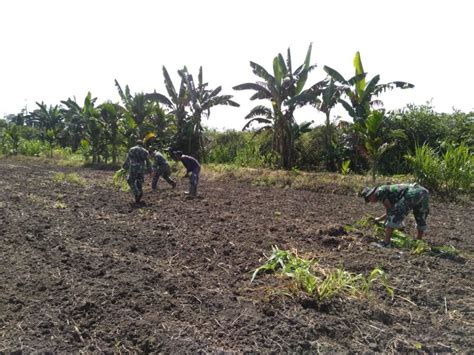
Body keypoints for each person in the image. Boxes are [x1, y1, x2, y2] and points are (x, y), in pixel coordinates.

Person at [360, 183, 430, 246]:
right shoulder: (387, 192)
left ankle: (386, 243)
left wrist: (381, 220)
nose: (371, 202)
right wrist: (379, 219)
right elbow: (391, 209)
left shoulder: (379, 192)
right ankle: (418, 241)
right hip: (423, 192)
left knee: (395, 214)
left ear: (371, 194)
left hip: (412, 193)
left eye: (369, 199)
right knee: (420, 216)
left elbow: (390, 210)